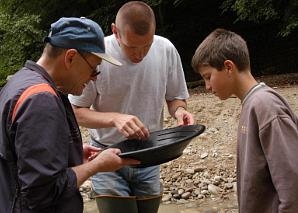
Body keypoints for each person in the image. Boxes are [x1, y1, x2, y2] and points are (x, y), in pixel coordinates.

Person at [0, 17, 140, 213]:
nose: (92, 79)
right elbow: (42, 193)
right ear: (70, 57)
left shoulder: (19, 82)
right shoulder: (41, 100)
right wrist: (96, 166)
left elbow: (18, 160)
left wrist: (67, 153)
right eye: (93, 69)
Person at [68, 1, 194, 212]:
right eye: (132, 47)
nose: (140, 54)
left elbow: (175, 99)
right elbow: (75, 111)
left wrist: (180, 111)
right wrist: (115, 118)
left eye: (147, 45)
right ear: (115, 31)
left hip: (152, 153)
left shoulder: (166, 49)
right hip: (107, 155)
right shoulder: (97, 56)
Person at [191, 28, 298, 213]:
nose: (207, 87)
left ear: (229, 67)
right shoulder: (251, 104)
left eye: (208, 77)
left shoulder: (265, 106)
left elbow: (292, 183)